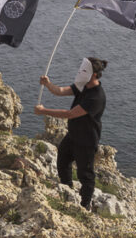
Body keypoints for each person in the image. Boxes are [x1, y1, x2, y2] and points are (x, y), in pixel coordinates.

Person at [34, 57, 108, 210]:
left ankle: (84, 204)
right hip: (73, 135)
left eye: (84, 70)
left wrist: (44, 111)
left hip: (86, 140)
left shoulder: (96, 97)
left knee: (85, 174)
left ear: (93, 74)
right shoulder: (82, 87)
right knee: (62, 161)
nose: (80, 73)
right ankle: (67, 190)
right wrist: (48, 84)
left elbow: (70, 114)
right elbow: (61, 91)